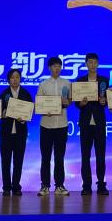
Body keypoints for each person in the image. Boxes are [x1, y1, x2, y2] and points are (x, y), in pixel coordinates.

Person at [36, 56, 71, 196]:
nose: (57, 68)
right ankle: (45, 185)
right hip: (46, 125)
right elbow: (39, 104)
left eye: (59, 66)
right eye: (54, 66)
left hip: (62, 124)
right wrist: (45, 110)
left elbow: (70, 101)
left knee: (59, 157)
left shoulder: (67, 83)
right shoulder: (43, 84)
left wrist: (67, 102)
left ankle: (59, 185)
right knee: (45, 157)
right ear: (50, 68)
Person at [77, 52, 110, 195]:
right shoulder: (80, 81)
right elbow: (77, 103)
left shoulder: (104, 81)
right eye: (90, 62)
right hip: (85, 123)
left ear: (98, 64)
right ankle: (86, 186)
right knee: (85, 156)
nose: (92, 65)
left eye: (95, 62)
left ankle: (101, 184)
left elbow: (108, 100)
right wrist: (81, 103)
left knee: (101, 155)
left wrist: (104, 101)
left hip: (99, 122)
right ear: (86, 64)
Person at [0, 68, 32, 195]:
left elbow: (30, 112)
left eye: (17, 77)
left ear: (20, 79)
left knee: (18, 161)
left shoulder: (26, 94)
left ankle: (16, 186)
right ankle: (6, 188)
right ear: (8, 80)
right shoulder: (4, 94)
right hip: (6, 134)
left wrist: (24, 119)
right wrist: (2, 113)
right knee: (5, 161)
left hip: (20, 133)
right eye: (12, 77)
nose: (15, 80)